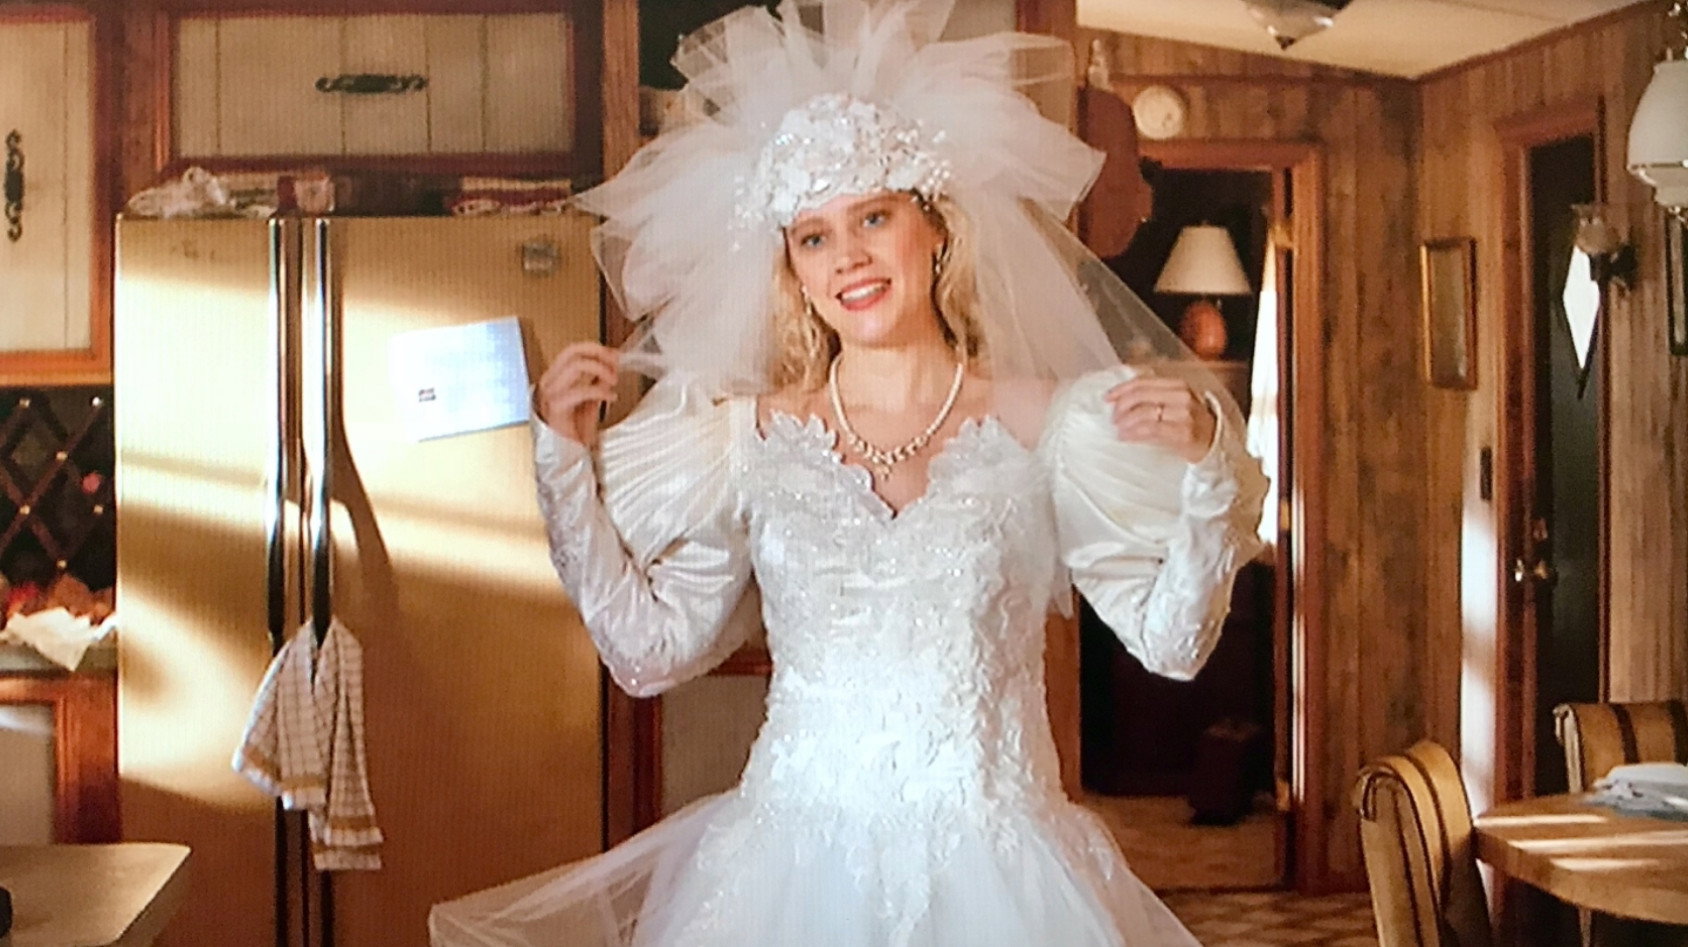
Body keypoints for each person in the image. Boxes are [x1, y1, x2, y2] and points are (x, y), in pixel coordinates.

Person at [430, 1, 1268, 944]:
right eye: (814, 235)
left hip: (1005, 885)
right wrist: (561, 463)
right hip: (787, 883)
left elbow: (1172, 644)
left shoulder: (1053, 425)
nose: (849, 258)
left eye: (874, 216)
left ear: (935, 228)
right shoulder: (746, 438)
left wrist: (1207, 474)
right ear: (792, 267)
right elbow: (647, 652)